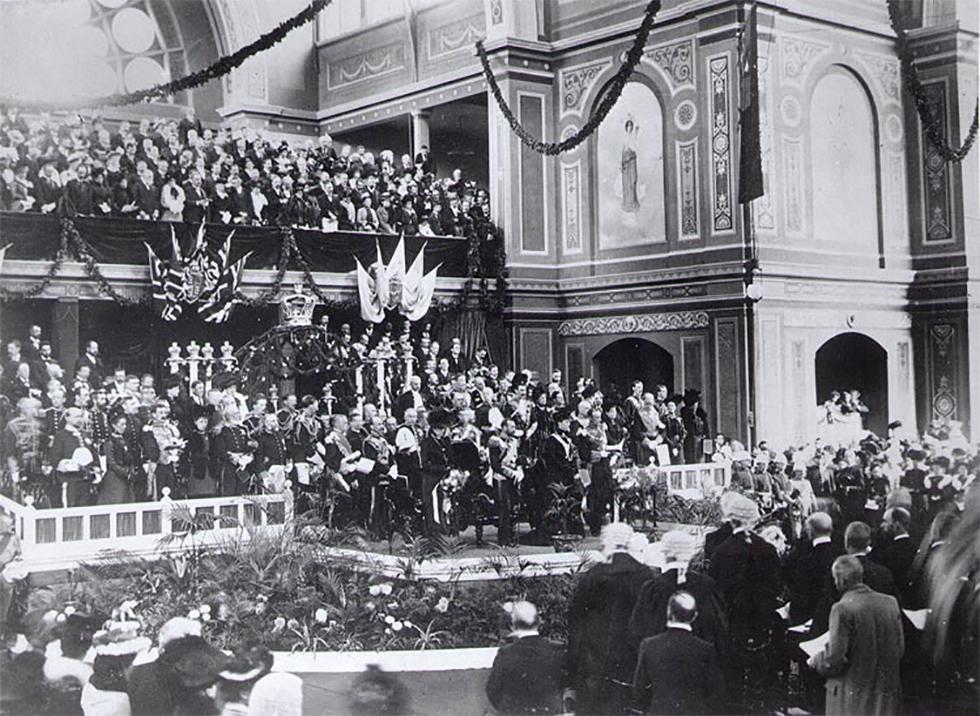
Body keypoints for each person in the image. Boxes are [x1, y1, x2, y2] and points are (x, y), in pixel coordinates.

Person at [563, 523, 652, 715]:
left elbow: (576, 623)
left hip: (597, 667)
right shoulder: (645, 575)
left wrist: (573, 670)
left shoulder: (593, 577)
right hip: (634, 664)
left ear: (607, 542)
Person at [807, 555, 904, 716]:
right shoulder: (890, 603)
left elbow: (835, 660)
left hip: (851, 699)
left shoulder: (841, 609)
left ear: (842, 582)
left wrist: (816, 660)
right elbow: (899, 649)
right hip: (885, 696)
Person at [632, 591, 726, 715]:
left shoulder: (649, 645)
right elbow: (716, 692)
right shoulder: (706, 649)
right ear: (694, 616)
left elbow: (639, 691)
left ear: (669, 612)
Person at [485, 601, 563, 715]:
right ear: (538, 622)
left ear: (513, 626)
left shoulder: (506, 653)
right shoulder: (557, 649)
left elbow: (493, 690)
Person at [785, 511, 842, 626]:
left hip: (809, 617)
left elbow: (801, 594)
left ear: (810, 531)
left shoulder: (806, 559)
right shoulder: (841, 555)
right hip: (837, 616)